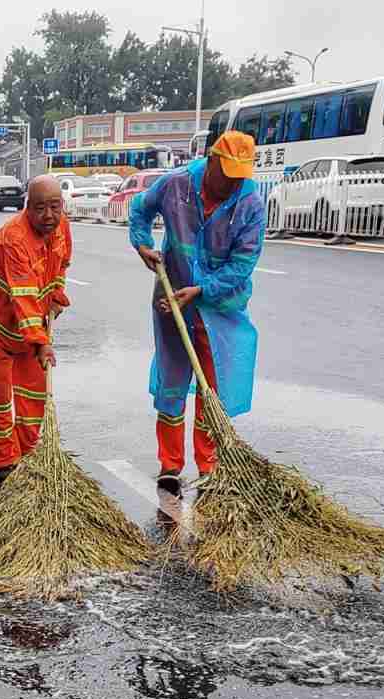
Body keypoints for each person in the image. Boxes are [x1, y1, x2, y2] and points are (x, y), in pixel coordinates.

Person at [129, 130, 264, 501]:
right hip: (173, 296)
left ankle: (209, 467)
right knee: (173, 381)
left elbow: (242, 265)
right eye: (228, 173)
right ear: (212, 159)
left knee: (212, 387)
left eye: (241, 175)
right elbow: (139, 209)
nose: (233, 182)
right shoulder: (175, 185)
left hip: (218, 306)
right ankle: (170, 466)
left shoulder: (250, 202)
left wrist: (203, 290)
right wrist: (142, 244)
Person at [0, 175, 72, 482]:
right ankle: (5, 465)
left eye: (55, 207)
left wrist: (56, 295)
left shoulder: (61, 226)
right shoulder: (13, 238)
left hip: (30, 326)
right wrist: (41, 342)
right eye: (40, 208)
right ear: (28, 208)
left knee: (33, 396)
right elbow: (23, 294)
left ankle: (26, 457)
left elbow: (62, 264)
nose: (49, 215)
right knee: (0, 401)